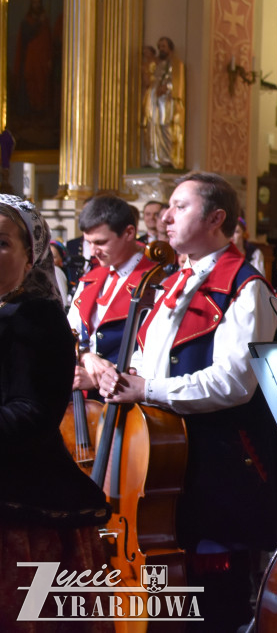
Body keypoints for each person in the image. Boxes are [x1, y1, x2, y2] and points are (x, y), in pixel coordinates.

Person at [97, 173, 277, 630]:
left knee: (211, 604)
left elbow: (234, 383)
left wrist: (147, 390)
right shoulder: (168, 281)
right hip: (164, 460)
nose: (165, 216)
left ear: (216, 218)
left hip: (217, 463)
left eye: (179, 206)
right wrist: (120, 376)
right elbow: (149, 356)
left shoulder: (246, 287)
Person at [0, 195, 112, 632]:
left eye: (3, 243)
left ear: (32, 256)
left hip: (22, 512)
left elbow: (32, 415)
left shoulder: (36, 320)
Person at [65, 196, 157, 394]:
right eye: (89, 242)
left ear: (129, 233)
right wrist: (85, 357)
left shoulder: (156, 281)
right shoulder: (91, 278)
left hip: (125, 397)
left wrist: (102, 378)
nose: (93, 251)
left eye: (101, 242)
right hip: (83, 398)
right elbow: (69, 332)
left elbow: (152, 353)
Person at [142, 36, 185, 169]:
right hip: (155, 100)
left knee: (165, 126)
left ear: (170, 49)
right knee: (153, 127)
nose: (161, 49)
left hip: (166, 101)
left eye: (164, 46)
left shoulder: (175, 64)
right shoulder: (157, 66)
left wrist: (166, 87)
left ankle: (167, 157)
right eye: (159, 46)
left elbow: (177, 82)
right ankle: (154, 158)